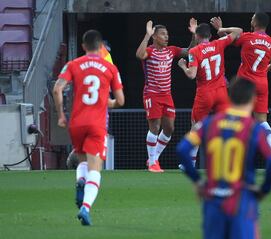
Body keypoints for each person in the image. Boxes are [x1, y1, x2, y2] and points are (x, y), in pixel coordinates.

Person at [177, 79, 271, 239]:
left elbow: (183, 149)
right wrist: (264, 190)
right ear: (253, 99)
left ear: (229, 98)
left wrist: (197, 181)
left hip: (212, 201)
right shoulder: (255, 128)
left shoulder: (208, 123)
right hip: (241, 200)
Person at [53, 30, 125, 226]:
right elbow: (120, 100)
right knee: (96, 167)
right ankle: (85, 208)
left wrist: (60, 115)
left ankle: (79, 182)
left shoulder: (73, 65)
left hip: (76, 123)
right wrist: (105, 101)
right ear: (101, 47)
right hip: (96, 123)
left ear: (83, 46)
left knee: (82, 160)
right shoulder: (110, 68)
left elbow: (57, 88)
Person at [177, 22, 242, 169]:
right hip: (221, 91)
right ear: (210, 36)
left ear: (197, 36)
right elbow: (238, 30)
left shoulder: (194, 52)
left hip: (205, 93)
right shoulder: (218, 43)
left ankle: (190, 164)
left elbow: (191, 75)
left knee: (196, 126)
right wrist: (222, 29)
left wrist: (182, 66)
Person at [136, 19, 197, 173]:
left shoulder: (171, 50)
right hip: (152, 94)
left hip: (167, 95)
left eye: (167, 34)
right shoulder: (150, 51)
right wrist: (146, 35)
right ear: (155, 36)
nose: (166, 37)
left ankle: (153, 158)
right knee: (155, 127)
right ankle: (152, 163)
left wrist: (194, 35)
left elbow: (190, 51)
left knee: (169, 128)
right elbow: (139, 54)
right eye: (163, 34)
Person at [211, 12, 271, 137]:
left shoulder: (248, 37)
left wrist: (220, 28)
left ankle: (232, 146)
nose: (251, 20)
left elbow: (228, 40)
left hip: (245, 84)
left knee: (236, 116)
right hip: (262, 84)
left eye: (252, 18)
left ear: (255, 23)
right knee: (262, 121)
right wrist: (263, 70)